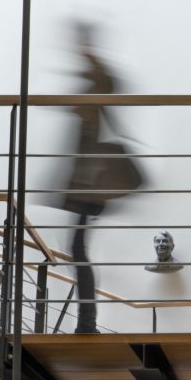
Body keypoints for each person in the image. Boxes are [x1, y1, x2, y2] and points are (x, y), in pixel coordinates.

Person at [62, 21, 117, 333]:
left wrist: (89, 54)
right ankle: (87, 322)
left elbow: (108, 83)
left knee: (78, 248)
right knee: (78, 248)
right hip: (88, 183)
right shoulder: (92, 84)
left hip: (92, 184)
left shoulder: (98, 82)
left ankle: (87, 322)